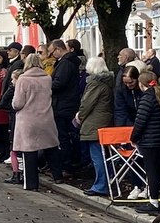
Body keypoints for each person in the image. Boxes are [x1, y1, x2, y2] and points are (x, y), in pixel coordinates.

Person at [9, 53, 59, 190]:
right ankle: (58, 176)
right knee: (51, 147)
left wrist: (13, 104)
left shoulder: (23, 79)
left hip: (28, 120)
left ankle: (31, 184)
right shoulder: (47, 78)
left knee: (28, 151)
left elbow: (18, 103)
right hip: (46, 117)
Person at [131, 71, 160, 215]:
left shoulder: (146, 98)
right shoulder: (158, 95)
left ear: (141, 84)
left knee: (151, 171)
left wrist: (134, 138)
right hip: (159, 138)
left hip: (149, 140)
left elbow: (140, 121)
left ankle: (153, 202)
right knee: (157, 170)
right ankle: (155, 199)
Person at [76, 56, 114, 196]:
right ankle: (104, 182)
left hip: (94, 123)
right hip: (103, 120)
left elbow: (86, 104)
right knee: (103, 156)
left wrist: (79, 116)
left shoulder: (95, 84)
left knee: (98, 157)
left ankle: (100, 185)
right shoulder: (107, 83)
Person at [47, 40, 81, 171]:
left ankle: (67, 165)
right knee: (67, 135)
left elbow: (59, 83)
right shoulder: (67, 62)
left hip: (63, 105)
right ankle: (69, 163)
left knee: (64, 136)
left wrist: (47, 85)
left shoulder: (65, 63)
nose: (51, 55)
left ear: (58, 49)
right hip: (66, 103)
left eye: (51, 52)